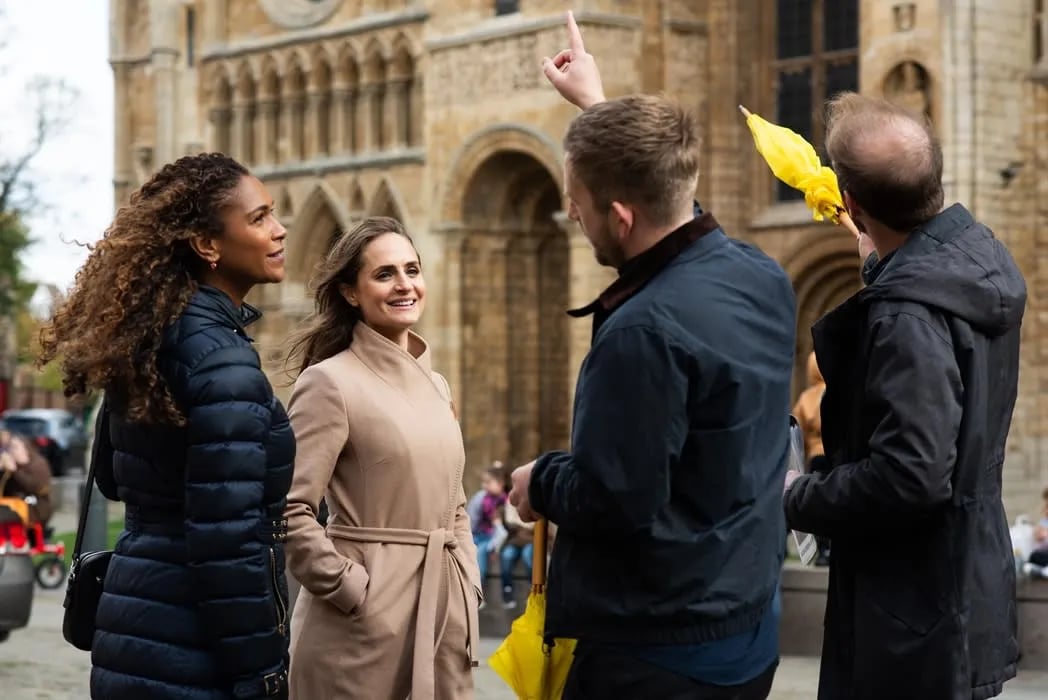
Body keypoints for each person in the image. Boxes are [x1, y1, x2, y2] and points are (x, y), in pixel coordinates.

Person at [508, 13, 796, 699]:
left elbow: (617, 501)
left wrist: (538, 480)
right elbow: (672, 200)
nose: (573, 218)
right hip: (747, 629)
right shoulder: (760, 275)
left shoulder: (643, 333)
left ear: (621, 216)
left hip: (658, 653)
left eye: (576, 205)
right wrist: (600, 110)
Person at [782, 93, 1026, 699]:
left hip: (912, 614)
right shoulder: (978, 258)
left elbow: (912, 473)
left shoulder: (907, 316)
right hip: (960, 588)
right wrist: (883, 264)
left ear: (853, 204)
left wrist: (797, 495)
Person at [37, 152, 295, 700]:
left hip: (131, 627)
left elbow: (112, 477)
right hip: (195, 650)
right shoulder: (222, 362)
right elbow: (227, 543)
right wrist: (262, 674)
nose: (279, 230)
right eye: (259, 218)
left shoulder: (148, 340)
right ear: (208, 245)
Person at [282, 217, 480, 700]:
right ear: (351, 293)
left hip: (442, 613)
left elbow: (454, 499)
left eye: (411, 269)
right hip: (359, 631)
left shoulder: (437, 385)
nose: (405, 284)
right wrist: (352, 590)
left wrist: (468, 582)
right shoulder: (329, 382)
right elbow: (289, 508)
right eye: (385, 273)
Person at [792, 351, 830, 565]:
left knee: (816, 501)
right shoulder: (837, 392)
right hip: (835, 458)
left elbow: (798, 429)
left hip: (815, 457)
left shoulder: (807, 398)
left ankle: (821, 548)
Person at [0, 429, 54, 526]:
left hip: (35, 508)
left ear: (26, 449)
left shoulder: (38, 464)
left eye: (15, 448)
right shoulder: (13, 466)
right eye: (10, 448)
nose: (12, 452)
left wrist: (15, 471)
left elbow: (35, 487)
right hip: (13, 505)